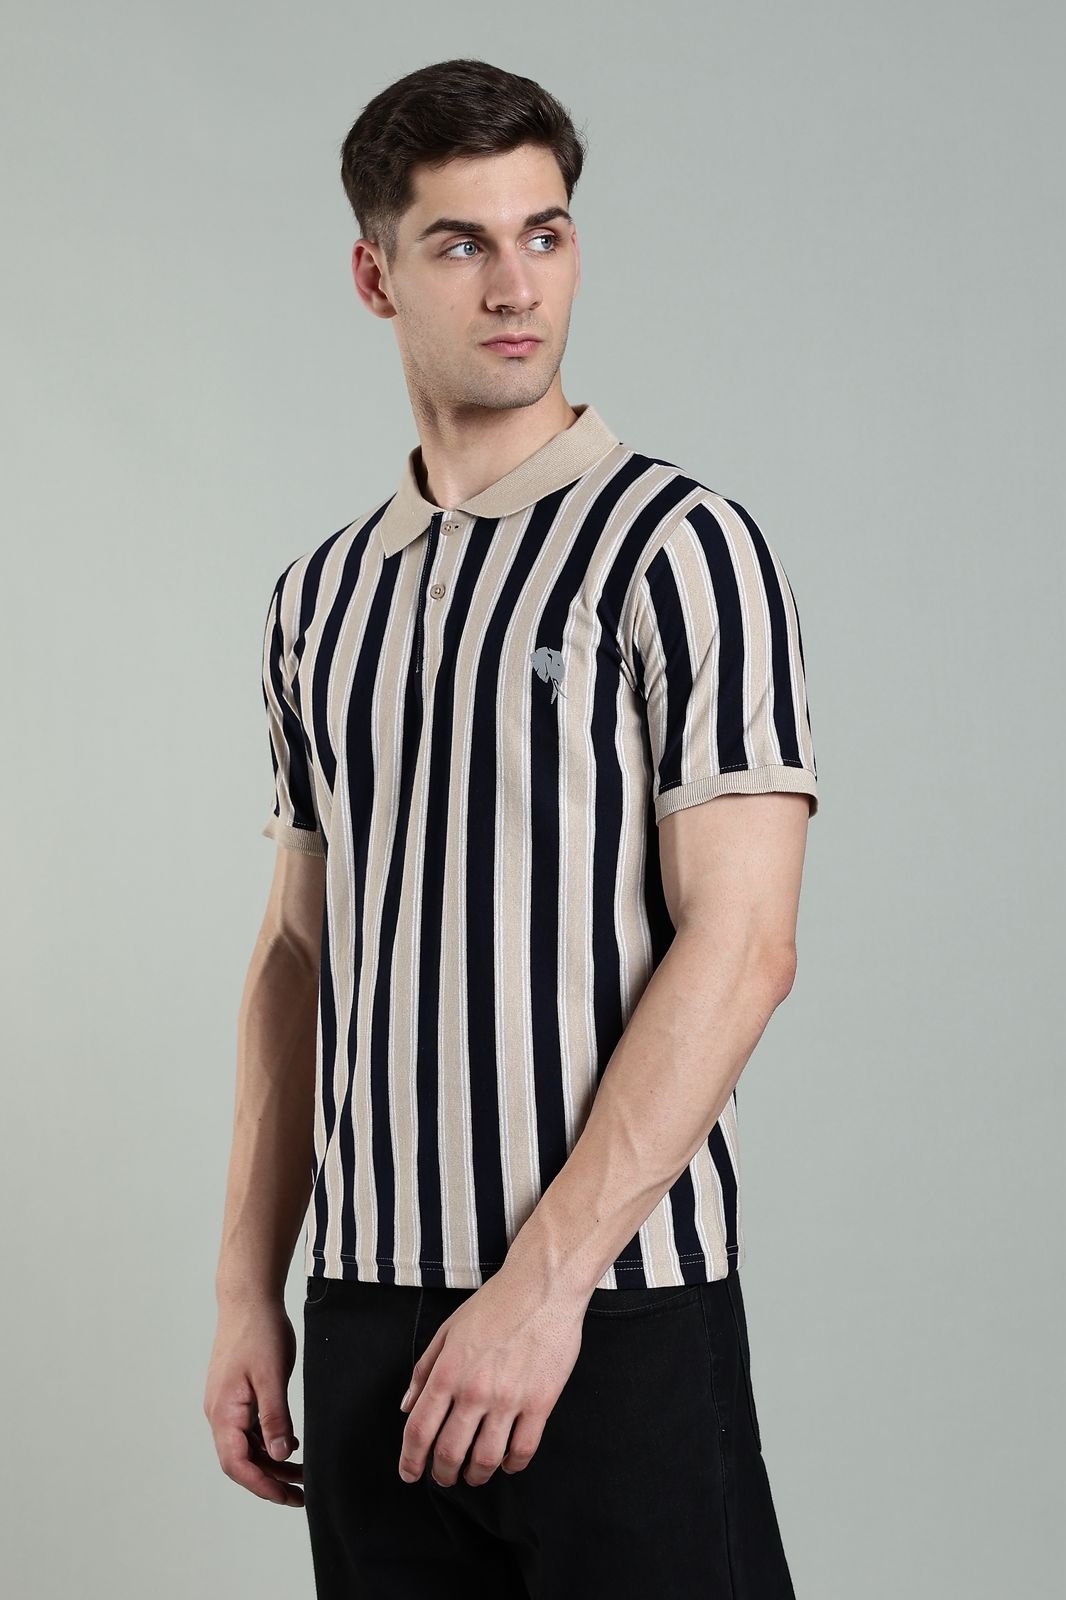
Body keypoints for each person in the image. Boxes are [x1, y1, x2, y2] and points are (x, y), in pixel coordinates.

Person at [203, 55, 820, 1599]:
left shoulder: (679, 548)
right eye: (461, 242)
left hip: (609, 1309)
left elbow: (743, 944)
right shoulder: (318, 596)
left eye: (544, 234)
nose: (514, 284)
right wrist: (244, 1289)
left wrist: (540, 1292)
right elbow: (295, 955)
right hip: (365, 1313)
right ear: (375, 276)